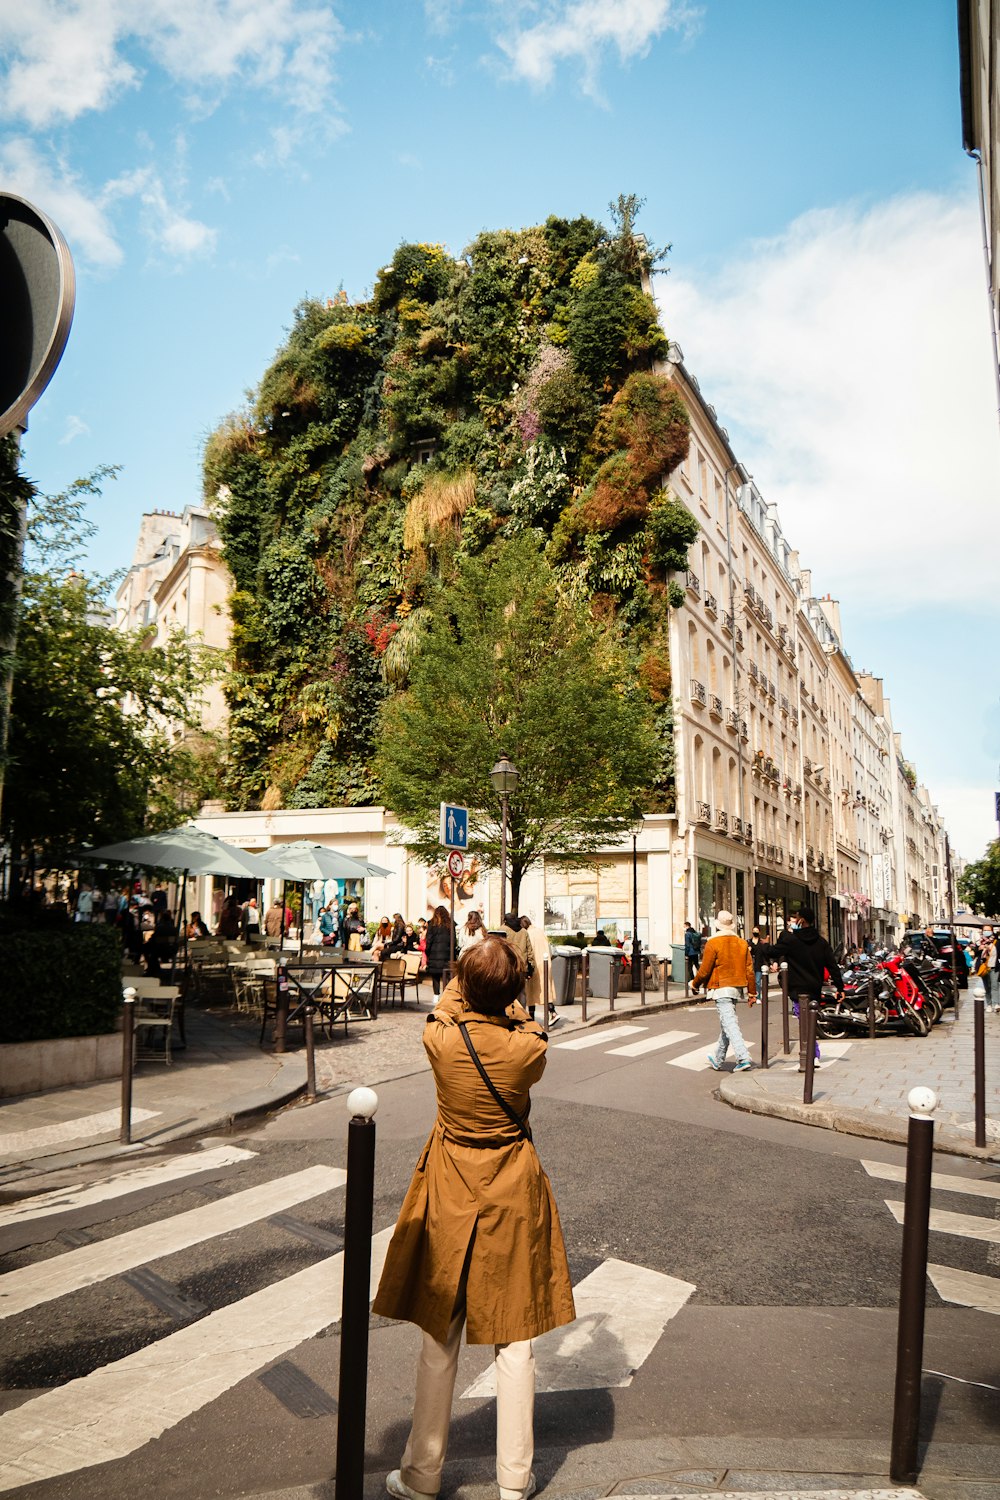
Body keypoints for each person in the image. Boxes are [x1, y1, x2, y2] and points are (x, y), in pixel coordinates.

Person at [372, 937, 576, 1500]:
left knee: (441, 1333)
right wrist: (511, 985)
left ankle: (421, 1474)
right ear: (514, 991)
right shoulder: (527, 1050)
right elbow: (524, 1020)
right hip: (511, 1183)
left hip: (450, 1182)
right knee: (515, 1339)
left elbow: (450, 1000)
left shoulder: (439, 1037)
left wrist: (473, 969)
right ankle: (513, 1482)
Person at [767, 907, 843, 1072]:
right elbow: (832, 965)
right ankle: (812, 1054)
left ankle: (811, 1055)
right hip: (814, 988)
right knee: (809, 1020)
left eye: (797, 918)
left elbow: (773, 951)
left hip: (797, 989)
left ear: (801, 920)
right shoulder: (821, 942)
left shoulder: (792, 941)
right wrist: (840, 987)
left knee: (804, 1021)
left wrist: (759, 946)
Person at [694, 909, 756, 1073]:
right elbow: (749, 970)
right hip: (736, 988)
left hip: (720, 987)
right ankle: (718, 1058)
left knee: (730, 1024)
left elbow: (705, 970)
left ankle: (743, 1057)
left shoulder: (713, 943)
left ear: (718, 926)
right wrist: (752, 993)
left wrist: (695, 983)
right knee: (727, 1023)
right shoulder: (742, 944)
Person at [501, 912, 535, 1016]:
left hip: (508, 967)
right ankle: (522, 1015)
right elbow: (530, 951)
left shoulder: (502, 930)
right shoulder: (524, 932)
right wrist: (531, 968)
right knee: (521, 993)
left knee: (507, 993)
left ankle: (510, 1015)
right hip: (521, 967)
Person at [424, 905, 456, 994]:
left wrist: (428, 952)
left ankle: (436, 995)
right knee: (447, 976)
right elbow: (453, 941)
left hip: (434, 954)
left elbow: (429, 940)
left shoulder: (432, 924)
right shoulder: (450, 924)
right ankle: (447, 995)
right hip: (447, 954)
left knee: (435, 976)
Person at [520, 915, 542, 1016]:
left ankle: (531, 1016)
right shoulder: (539, 931)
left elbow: (529, 952)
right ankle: (551, 1010)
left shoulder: (527, 933)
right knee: (541, 992)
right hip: (544, 964)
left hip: (534, 965)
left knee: (530, 993)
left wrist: (530, 966)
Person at [748, 926, 768, 997]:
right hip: (750, 964)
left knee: (757, 982)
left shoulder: (762, 942)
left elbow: (765, 954)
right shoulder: (748, 942)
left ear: (759, 932)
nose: (755, 932)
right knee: (751, 982)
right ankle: (751, 996)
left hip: (759, 964)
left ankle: (758, 996)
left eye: (756, 931)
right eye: (754, 931)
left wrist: (768, 963)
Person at [683, 922, 701, 989]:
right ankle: (702, 977)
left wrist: (686, 954)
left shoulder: (687, 934)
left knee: (689, 968)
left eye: (684, 926)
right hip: (696, 952)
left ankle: (693, 981)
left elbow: (687, 945)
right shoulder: (695, 932)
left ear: (686, 926)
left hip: (690, 953)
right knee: (697, 965)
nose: (684, 928)